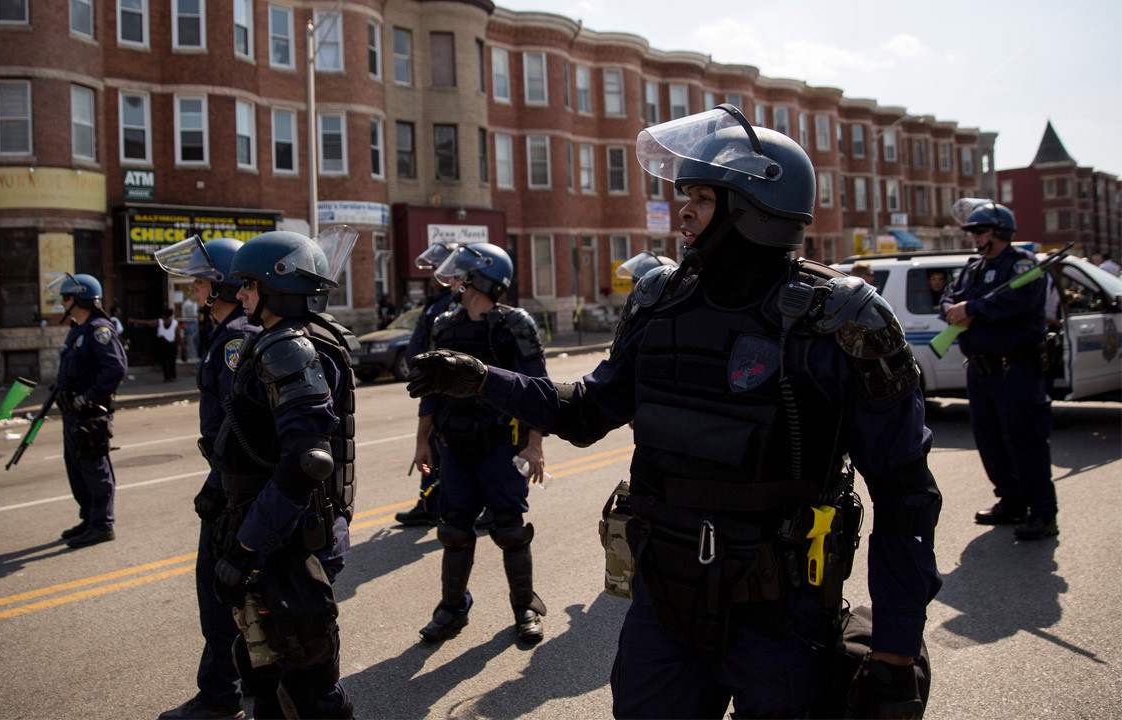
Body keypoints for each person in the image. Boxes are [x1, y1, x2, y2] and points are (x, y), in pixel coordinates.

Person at [408, 106, 942, 718]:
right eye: (684, 194)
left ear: (755, 209)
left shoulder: (842, 319)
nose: (682, 211)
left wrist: (896, 655)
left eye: (704, 197)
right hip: (663, 600)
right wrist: (481, 381)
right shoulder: (661, 301)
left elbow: (905, 496)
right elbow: (587, 412)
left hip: (781, 616)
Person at [210, 227, 359, 719]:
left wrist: (246, 545)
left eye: (248, 286)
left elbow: (306, 461)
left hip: (288, 539)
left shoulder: (289, 348)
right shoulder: (278, 339)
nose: (240, 295)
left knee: (308, 680)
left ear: (278, 287)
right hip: (274, 528)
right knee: (268, 676)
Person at [412, 242, 550, 645]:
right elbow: (431, 391)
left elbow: (538, 390)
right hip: (454, 446)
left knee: (508, 529)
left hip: (501, 446)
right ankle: (452, 609)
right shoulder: (445, 325)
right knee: (454, 529)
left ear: (482, 279)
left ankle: (524, 606)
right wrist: (422, 442)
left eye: (462, 273)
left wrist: (535, 445)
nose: (455, 280)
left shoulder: (516, 324)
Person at [152, 236, 253, 720]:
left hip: (234, 483)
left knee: (218, 592)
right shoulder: (227, 331)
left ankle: (219, 695)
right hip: (232, 478)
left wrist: (218, 487)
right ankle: (252, 678)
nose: (192, 287)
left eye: (202, 279)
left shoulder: (235, 338)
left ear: (223, 287)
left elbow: (241, 426)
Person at [940, 199, 1057, 541]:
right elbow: (949, 295)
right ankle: (1011, 500)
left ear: (1000, 231)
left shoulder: (1023, 266)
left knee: (1024, 441)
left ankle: (1043, 512)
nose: (974, 236)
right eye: (972, 231)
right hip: (980, 370)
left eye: (980, 230)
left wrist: (973, 308)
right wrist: (953, 309)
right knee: (989, 441)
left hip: (1015, 370)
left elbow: (1017, 302)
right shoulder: (972, 268)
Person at [48, 273, 127, 548]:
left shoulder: (98, 328)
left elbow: (115, 368)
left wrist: (90, 398)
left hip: (90, 413)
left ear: (80, 298)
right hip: (72, 414)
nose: (63, 302)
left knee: (95, 469)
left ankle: (102, 524)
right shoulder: (77, 329)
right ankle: (89, 518)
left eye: (66, 297)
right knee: (77, 469)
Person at [394, 241, 459, 527]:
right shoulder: (438, 301)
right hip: (429, 384)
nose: (431, 273)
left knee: (440, 447)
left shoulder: (450, 304)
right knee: (433, 446)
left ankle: (439, 504)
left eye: (437, 268)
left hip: (440, 387)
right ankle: (430, 503)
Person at [132, 308, 180, 382]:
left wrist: (134, 321)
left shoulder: (160, 322)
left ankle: (167, 377)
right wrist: (181, 345)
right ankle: (173, 376)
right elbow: (178, 334)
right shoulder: (175, 323)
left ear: (164, 315)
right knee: (172, 361)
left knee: (165, 361)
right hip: (172, 344)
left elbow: (147, 322)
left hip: (163, 344)